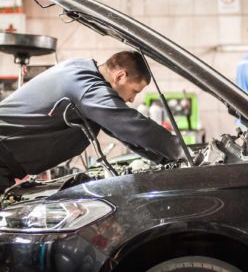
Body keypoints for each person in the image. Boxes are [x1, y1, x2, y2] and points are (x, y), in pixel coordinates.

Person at [0, 51, 185, 193]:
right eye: (134, 91)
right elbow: (132, 125)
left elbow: (122, 132)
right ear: (120, 76)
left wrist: (165, 159)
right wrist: (182, 152)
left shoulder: (81, 68)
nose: (131, 100)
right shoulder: (87, 87)